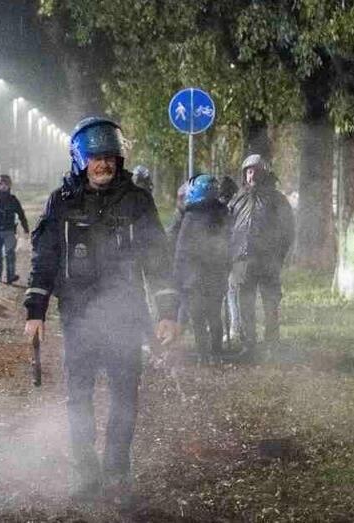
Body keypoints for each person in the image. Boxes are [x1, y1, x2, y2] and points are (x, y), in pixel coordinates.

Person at [23, 117, 180, 502]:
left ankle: (117, 474)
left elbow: (158, 260)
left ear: (119, 159)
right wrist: (35, 311)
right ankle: (86, 473)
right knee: (78, 397)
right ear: (80, 159)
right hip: (78, 318)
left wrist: (167, 312)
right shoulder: (61, 202)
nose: (104, 165)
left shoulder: (137, 202)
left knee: (125, 397)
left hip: (126, 317)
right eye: (96, 158)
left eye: (110, 157)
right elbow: (46, 257)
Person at [227, 154, 294, 356]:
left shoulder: (277, 200)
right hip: (242, 261)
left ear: (264, 172)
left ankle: (272, 345)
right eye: (248, 171)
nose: (252, 175)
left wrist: (279, 256)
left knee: (270, 304)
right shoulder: (237, 199)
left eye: (256, 170)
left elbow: (288, 230)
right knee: (245, 304)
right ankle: (249, 345)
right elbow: (227, 227)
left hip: (268, 261)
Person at [173, 174, 231, 363]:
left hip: (195, 278)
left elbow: (181, 251)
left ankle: (204, 354)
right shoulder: (223, 214)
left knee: (199, 318)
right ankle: (215, 353)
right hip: (212, 276)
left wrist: (178, 275)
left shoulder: (190, 216)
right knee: (213, 316)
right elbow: (230, 244)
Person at [0, 174, 29, 283]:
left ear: (9, 187)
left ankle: (11, 276)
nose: (3, 187)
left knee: (10, 254)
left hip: (9, 231)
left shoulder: (13, 200)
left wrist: (26, 228)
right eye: (1, 185)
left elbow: (21, 214)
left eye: (5, 185)